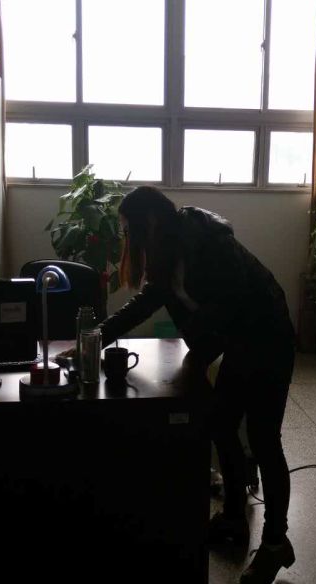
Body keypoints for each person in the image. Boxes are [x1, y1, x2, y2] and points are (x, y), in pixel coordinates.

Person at [97, 186, 296, 584]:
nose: (128, 238)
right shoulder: (168, 250)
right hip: (239, 343)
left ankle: (276, 542)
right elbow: (146, 302)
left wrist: (197, 353)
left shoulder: (209, 242)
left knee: (263, 440)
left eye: (130, 229)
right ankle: (234, 516)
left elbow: (230, 303)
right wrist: (96, 336)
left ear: (150, 221)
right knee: (221, 425)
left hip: (269, 339)